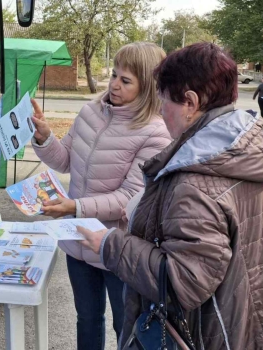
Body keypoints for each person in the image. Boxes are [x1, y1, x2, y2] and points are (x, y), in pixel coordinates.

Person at [79, 43, 263, 349]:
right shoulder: (244, 149)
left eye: (164, 102)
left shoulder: (196, 180)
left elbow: (184, 281)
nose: (161, 112)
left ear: (190, 102)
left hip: (215, 331)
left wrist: (111, 244)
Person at [30, 42, 172, 350]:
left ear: (147, 87)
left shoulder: (155, 132)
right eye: (114, 75)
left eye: (126, 80)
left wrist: (75, 206)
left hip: (117, 248)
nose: (114, 85)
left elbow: (129, 198)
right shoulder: (90, 111)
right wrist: (44, 138)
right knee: (87, 319)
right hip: (77, 239)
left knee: (125, 324)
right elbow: (65, 159)